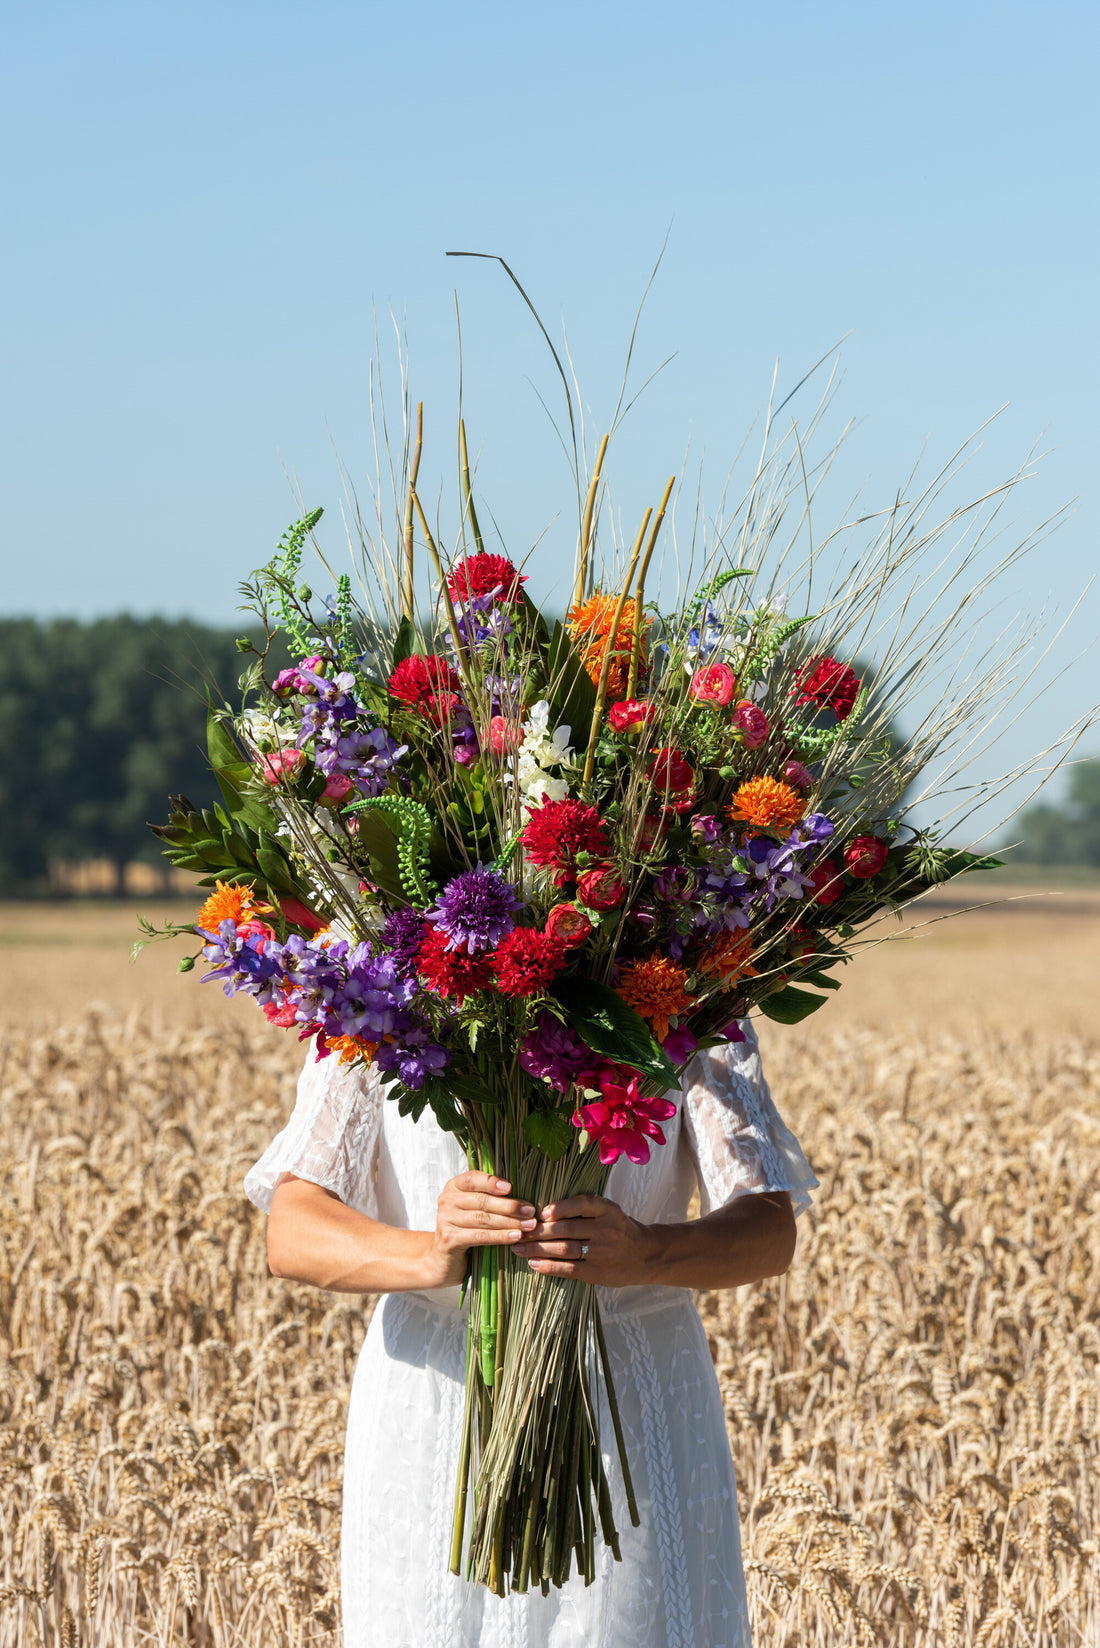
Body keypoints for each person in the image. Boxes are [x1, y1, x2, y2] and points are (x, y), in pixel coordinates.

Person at [245, 1024, 818, 1648]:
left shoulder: (688, 964)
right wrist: (430, 1254)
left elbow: (768, 1227)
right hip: (434, 1410)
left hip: (628, 1406)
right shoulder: (372, 973)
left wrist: (648, 1252)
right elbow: (294, 1230)